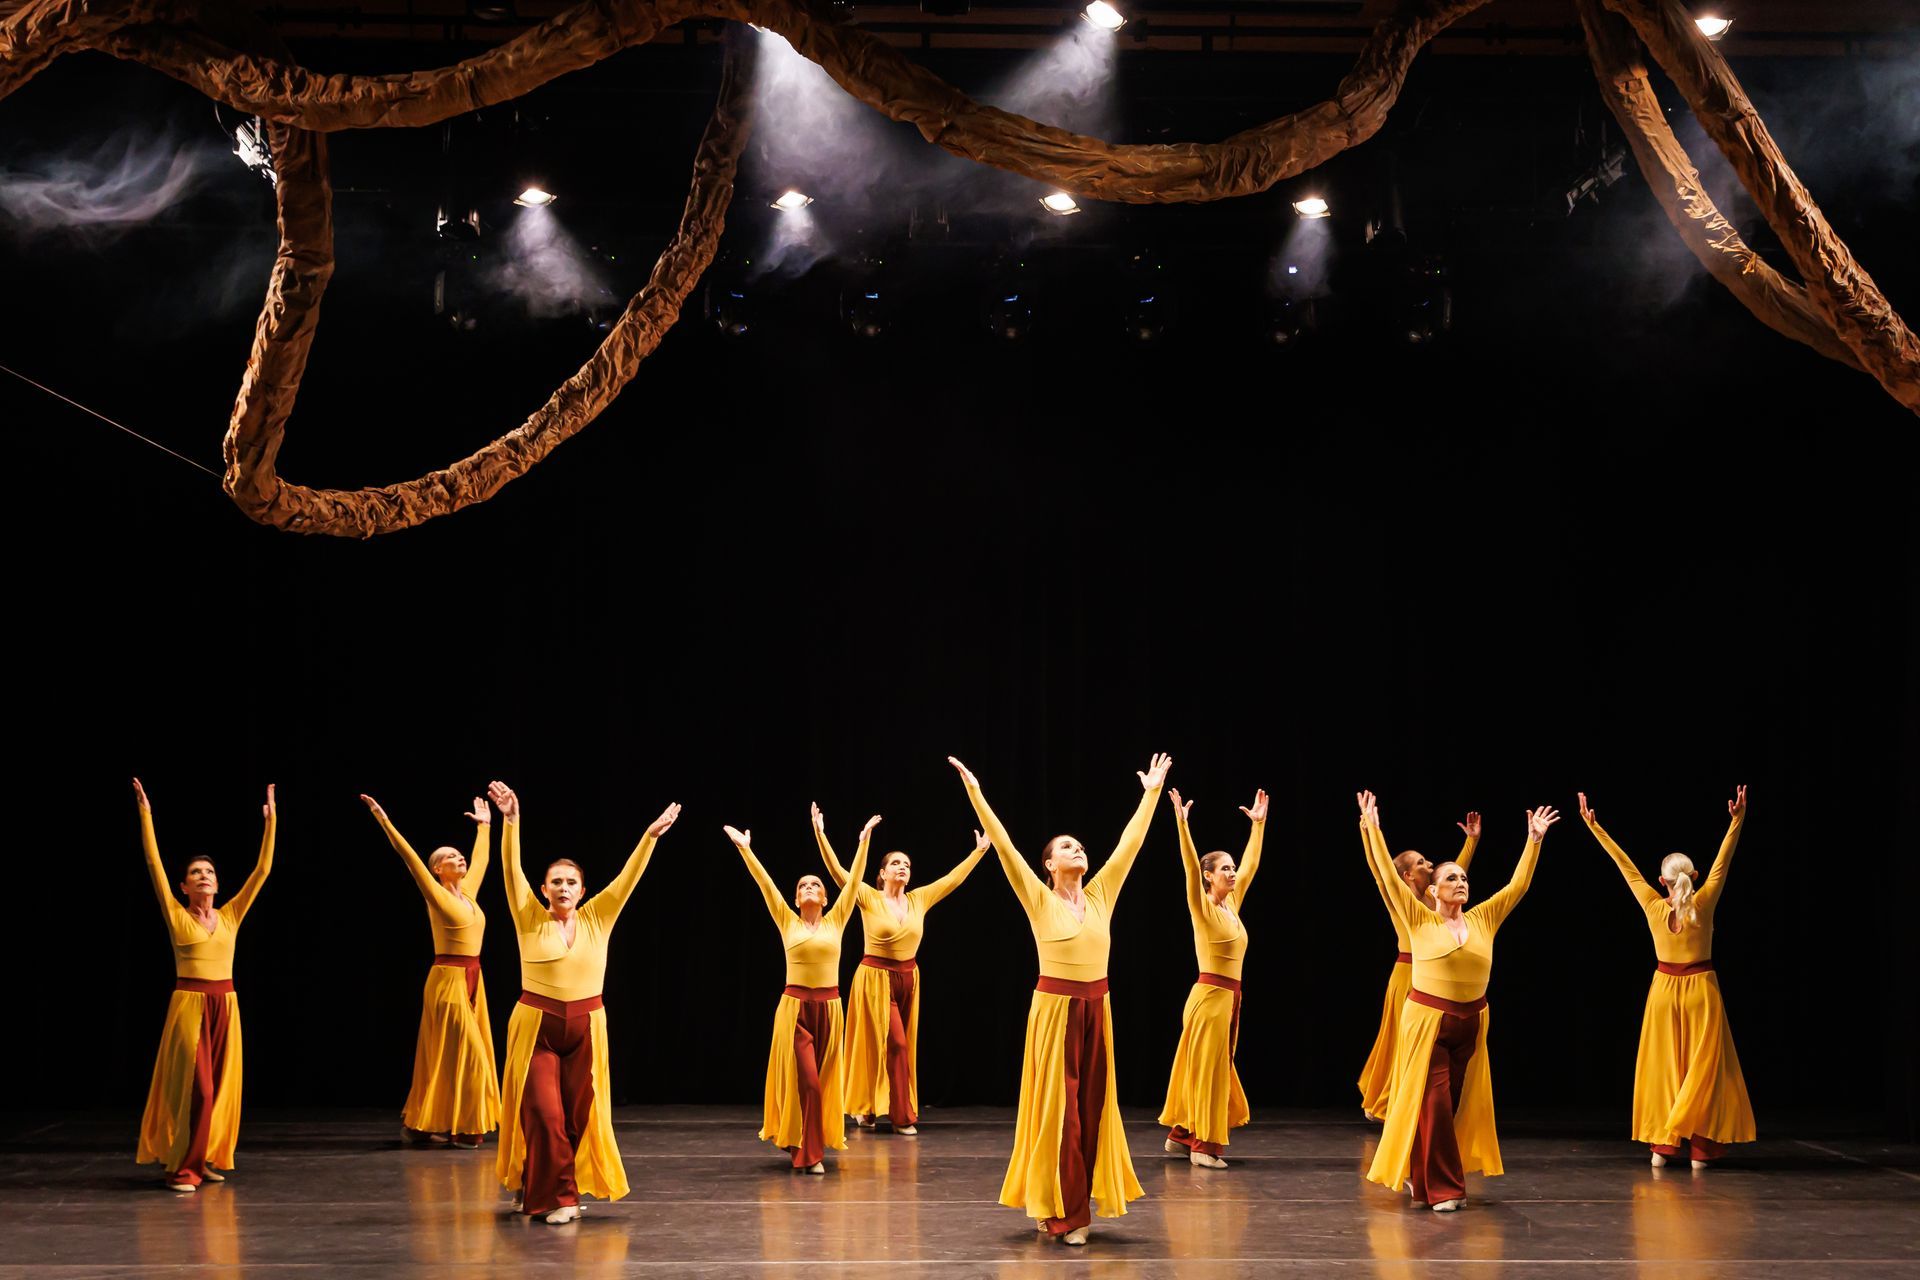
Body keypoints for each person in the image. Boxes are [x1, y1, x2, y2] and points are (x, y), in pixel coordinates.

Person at [949, 751, 1170, 1246]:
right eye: (1065, 847)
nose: (1078, 849)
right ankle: (1066, 1214)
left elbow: (1129, 845)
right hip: (1055, 1012)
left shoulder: (1101, 895)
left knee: (1091, 1112)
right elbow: (1004, 847)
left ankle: (1070, 1202)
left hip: (1099, 1007)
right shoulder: (1039, 897)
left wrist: (1151, 793)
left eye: (1080, 846)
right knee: (1062, 1114)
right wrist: (976, 792)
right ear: (1048, 865)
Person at [489, 780, 681, 1224]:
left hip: (586, 1026)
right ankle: (561, 1198)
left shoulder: (598, 916)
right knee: (542, 1111)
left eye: (571, 882)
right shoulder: (528, 916)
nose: (563, 887)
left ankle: (535, 1185)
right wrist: (511, 822)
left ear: (581, 888)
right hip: (536, 1025)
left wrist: (649, 838)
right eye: (555, 881)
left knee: (576, 1117)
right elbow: (509, 871)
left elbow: (628, 880)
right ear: (542, 889)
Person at [1360, 791, 1559, 1212]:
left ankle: (1419, 1174)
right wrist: (1374, 831)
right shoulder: (1419, 919)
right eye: (1451, 878)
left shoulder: (1484, 917)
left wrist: (1534, 840)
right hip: (1428, 1023)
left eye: (1463, 878)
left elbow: (1519, 885)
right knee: (1432, 1100)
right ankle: (1447, 1189)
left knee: (1444, 1107)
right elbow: (1387, 878)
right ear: (1432, 891)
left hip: (1470, 1025)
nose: (1460, 882)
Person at [1579, 786, 1755, 1169]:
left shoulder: (1652, 904)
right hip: (1701, 990)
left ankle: (1663, 1145)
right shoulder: (1705, 899)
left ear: (1661, 881)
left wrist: (1595, 827)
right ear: (1694, 875)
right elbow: (1724, 860)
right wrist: (1737, 819)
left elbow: (1623, 865)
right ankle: (1701, 1149)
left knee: (1664, 1067)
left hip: (1663, 990)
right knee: (1704, 1068)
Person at [133, 777, 276, 1193]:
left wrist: (271, 821)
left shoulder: (230, 916)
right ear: (184, 886)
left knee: (222, 1089)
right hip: (190, 1005)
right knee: (200, 1089)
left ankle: (206, 1157)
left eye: (209, 872)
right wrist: (146, 814)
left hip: (226, 1005)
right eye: (195, 873)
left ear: (217, 882)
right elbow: (153, 864)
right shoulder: (178, 916)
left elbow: (263, 870)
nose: (203, 876)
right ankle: (182, 1168)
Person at [813, 804, 990, 1134]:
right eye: (895, 863)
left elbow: (953, 879)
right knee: (891, 1044)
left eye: (906, 864)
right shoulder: (867, 895)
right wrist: (823, 834)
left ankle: (867, 1109)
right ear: (881, 873)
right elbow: (838, 872)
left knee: (899, 1045)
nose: (902, 868)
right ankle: (901, 1117)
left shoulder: (919, 899)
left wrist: (978, 852)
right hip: (874, 977)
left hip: (909, 978)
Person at [728, 818, 869, 1172]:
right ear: (796, 897)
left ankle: (801, 1141)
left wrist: (863, 841)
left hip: (830, 1008)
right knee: (807, 1081)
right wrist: (746, 849)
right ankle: (811, 1155)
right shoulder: (787, 920)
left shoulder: (837, 920)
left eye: (816, 884)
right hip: (795, 1010)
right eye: (803, 885)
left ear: (824, 897)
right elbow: (765, 884)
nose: (809, 887)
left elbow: (853, 884)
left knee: (820, 1082)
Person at [361, 792, 498, 1147]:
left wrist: (485, 827)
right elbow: (408, 857)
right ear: (437, 869)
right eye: (450, 856)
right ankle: (467, 1126)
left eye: (459, 853)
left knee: (447, 1057)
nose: (460, 857)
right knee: (472, 1054)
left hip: (473, 980)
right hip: (447, 981)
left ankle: (423, 1125)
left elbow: (482, 859)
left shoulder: (468, 894)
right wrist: (383, 819)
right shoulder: (436, 895)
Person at [1158, 786, 1267, 1169]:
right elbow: (1189, 866)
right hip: (1210, 998)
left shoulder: (1232, 904)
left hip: (1227, 999)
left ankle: (1181, 1134)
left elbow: (1252, 865)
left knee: (1205, 1066)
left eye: (1232, 867)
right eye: (1225, 868)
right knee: (1209, 1069)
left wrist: (1258, 825)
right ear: (1208, 876)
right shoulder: (1202, 906)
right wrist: (1182, 824)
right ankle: (1203, 1146)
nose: (1233, 872)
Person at [1358, 808, 1480, 1120]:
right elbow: (1379, 870)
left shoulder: (1435, 897)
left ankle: (1419, 1102)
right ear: (1408, 875)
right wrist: (1369, 830)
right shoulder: (1401, 899)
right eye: (1421, 863)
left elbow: (1455, 872)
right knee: (1403, 1043)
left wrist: (1471, 842)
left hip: (1434, 976)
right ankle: (1394, 1102)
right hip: (1408, 975)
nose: (1429, 865)